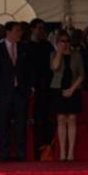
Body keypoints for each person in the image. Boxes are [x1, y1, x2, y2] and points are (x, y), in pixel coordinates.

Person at [0, 21, 32, 161]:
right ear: (8, 32)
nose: (20, 33)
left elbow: (29, 71)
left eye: (20, 31)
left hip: (20, 92)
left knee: (21, 124)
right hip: (3, 93)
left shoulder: (24, 48)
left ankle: (21, 154)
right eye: (16, 31)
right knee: (3, 124)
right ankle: (3, 155)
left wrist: (31, 87)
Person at [49, 30, 85, 161]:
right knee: (61, 119)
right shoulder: (53, 54)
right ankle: (62, 152)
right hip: (57, 89)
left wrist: (72, 89)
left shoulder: (77, 55)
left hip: (73, 89)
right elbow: (54, 67)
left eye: (67, 41)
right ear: (57, 42)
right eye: (62, 41)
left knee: (72, 119)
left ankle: (70, 153)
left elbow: (81, 74)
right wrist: (59, 52)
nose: (65, 43)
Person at [29, 18, 56, 157]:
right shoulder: (26, 46)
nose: (41, 31)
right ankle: (35, 148)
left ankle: (46, 146)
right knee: (35, 119)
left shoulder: (48, 46)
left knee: (46, 118)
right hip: (32, 88)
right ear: (32, 29)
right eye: (38, 28)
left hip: (47, 87)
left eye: (42, 28)